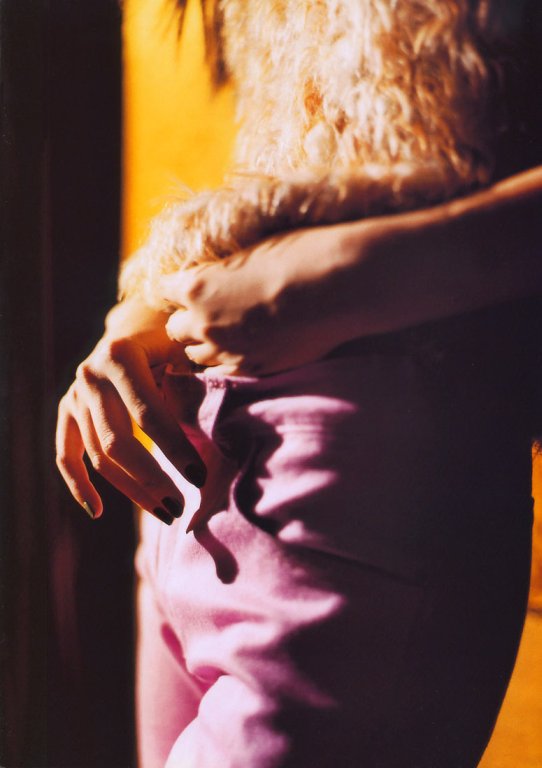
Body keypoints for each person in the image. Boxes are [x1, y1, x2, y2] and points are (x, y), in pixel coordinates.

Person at [56, 0, 542, 765]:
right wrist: (143, 314)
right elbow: (309, 149)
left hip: (370, 480)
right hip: (192, 462)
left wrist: (335, 280)